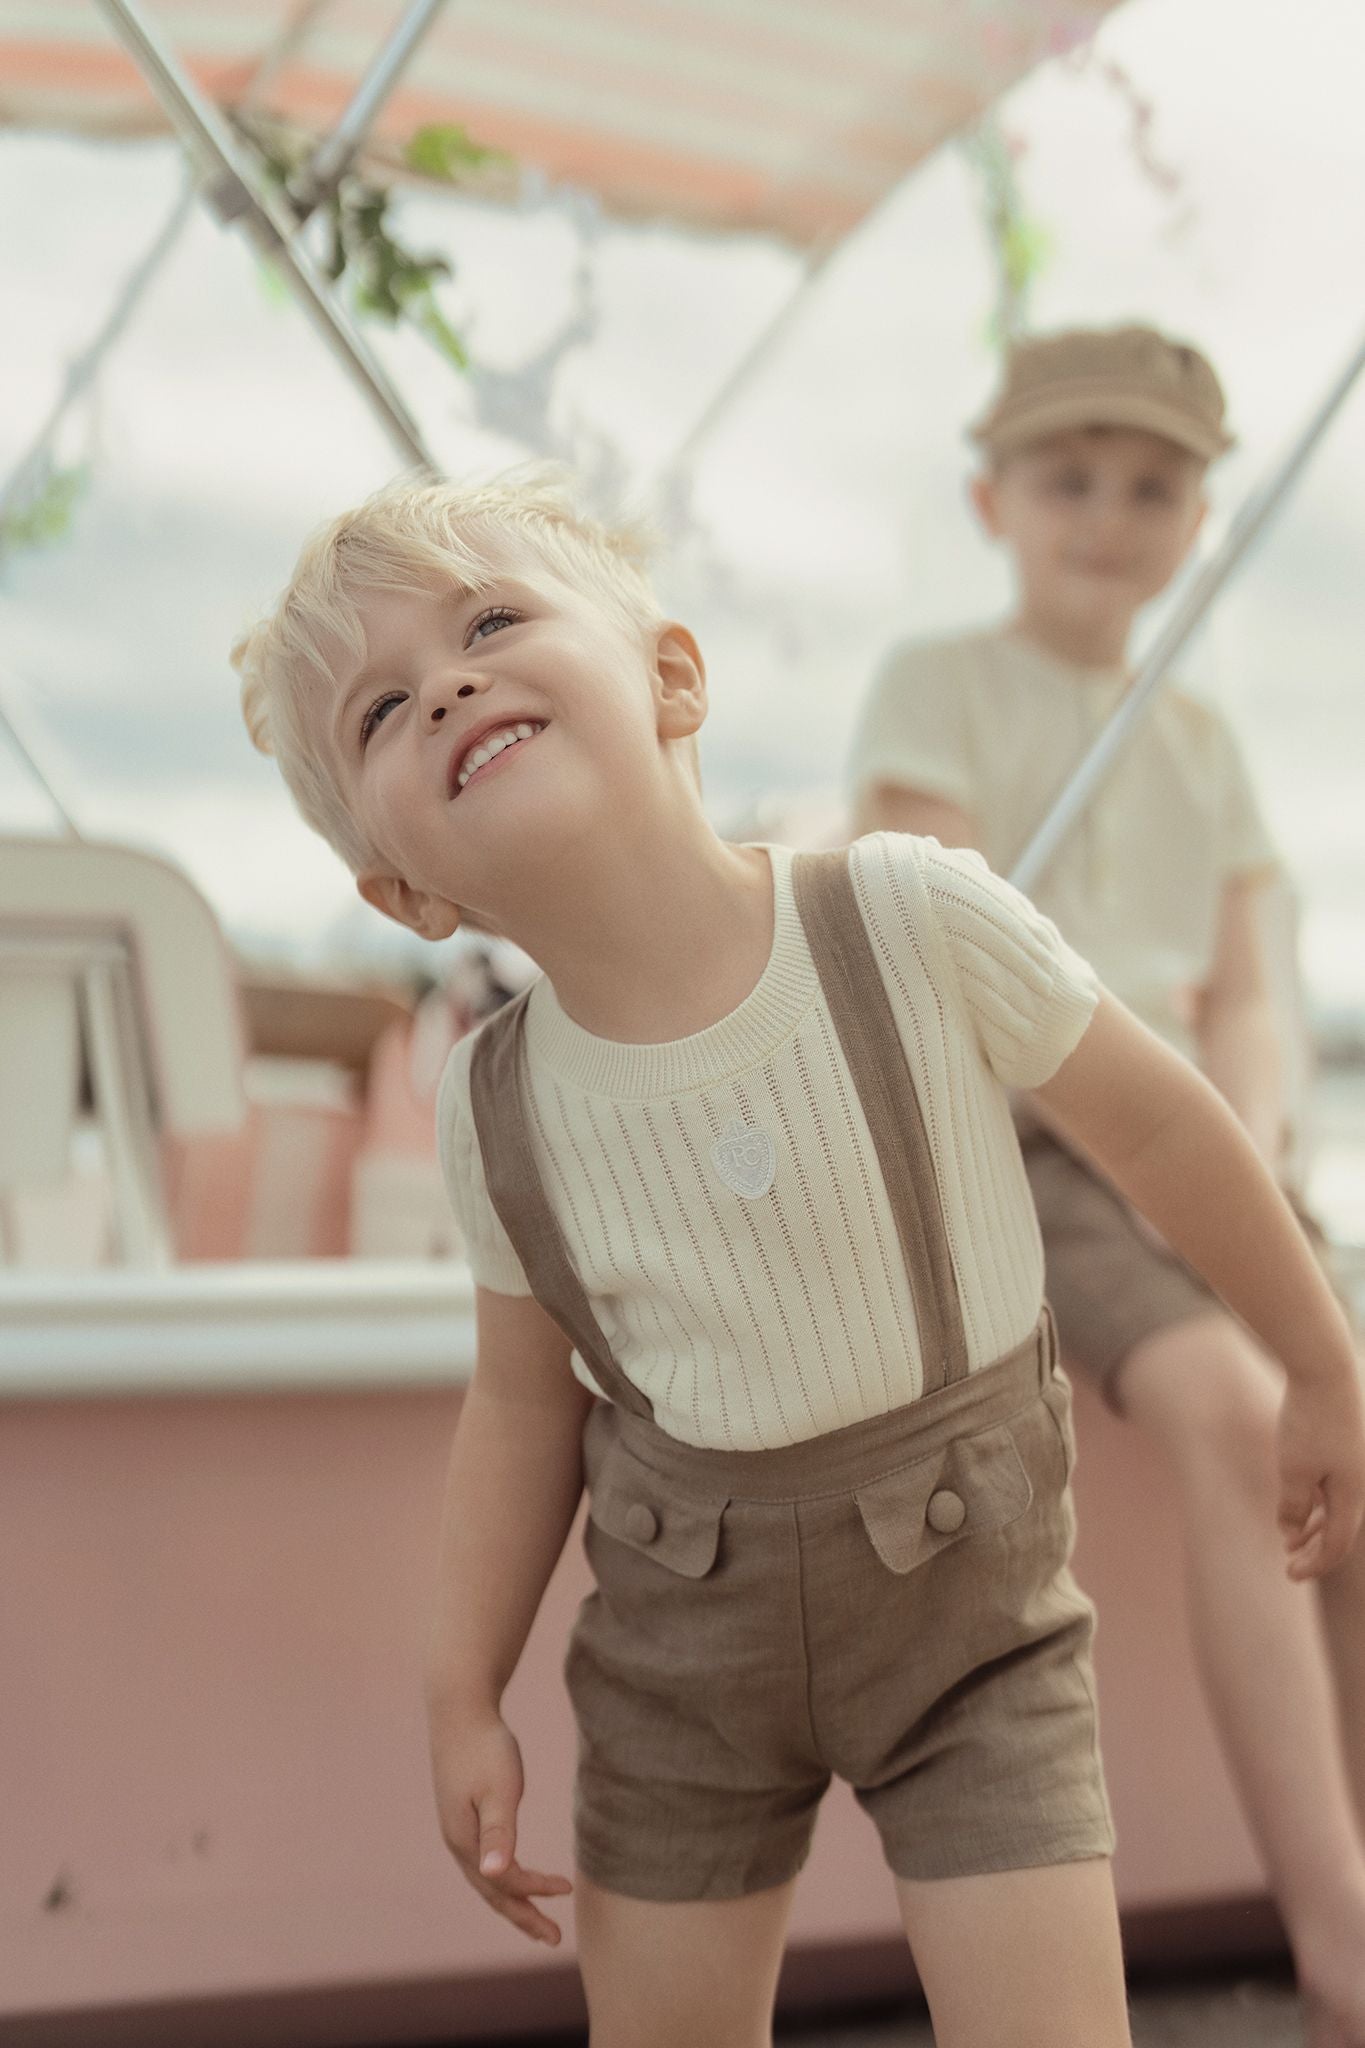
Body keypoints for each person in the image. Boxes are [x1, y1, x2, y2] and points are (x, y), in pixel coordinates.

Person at [233, 467, 1364, 2048]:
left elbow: (1164, 1133)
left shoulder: (907, 917)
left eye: (491, 620)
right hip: (681, 1657)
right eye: (380, 710)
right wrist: (458, 1686)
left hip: (973, 1632)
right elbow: (517, 1410)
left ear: (671, 678)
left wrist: (1317, 1360)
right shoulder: (492, 1106)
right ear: (403, 890)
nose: (450, 688)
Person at [849, 322, 1365, 2048]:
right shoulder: (936, 686)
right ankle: (1333, 1930)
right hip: (1035, 1134)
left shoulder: (1202, 735)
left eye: (1150, 485)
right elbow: (952, 948)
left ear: (1195, 519)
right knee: (1230, 1398)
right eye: (1068, 476)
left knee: (1344, 1412)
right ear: (991, 496)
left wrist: (1255, 1144)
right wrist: (1162, 1154)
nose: (1106, 513)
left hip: (1196, 1142)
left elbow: (1255, 984)